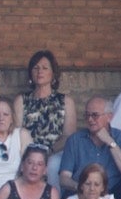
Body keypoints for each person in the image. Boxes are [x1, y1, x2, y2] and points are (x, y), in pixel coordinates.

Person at [59, 97, 121, 199]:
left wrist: (110, 142)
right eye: (87, 115)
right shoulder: (75, 139)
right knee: (68, 196)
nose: (90, 119)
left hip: (113, 192)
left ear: (109, 117)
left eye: (95, 115)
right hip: (82, 192)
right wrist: (80, 187)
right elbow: (64, 178)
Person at [12, 50, 75, 187]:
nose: (40, 71)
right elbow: (16, 134)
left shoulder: (66, 101)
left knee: (52, 165)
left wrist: (49, 152)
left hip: (55, 152)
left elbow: (68, 136)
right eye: (36, 68)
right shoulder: (21, 100)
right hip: (26, 152)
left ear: (53, 74)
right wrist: (31, 155)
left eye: (45, 68)